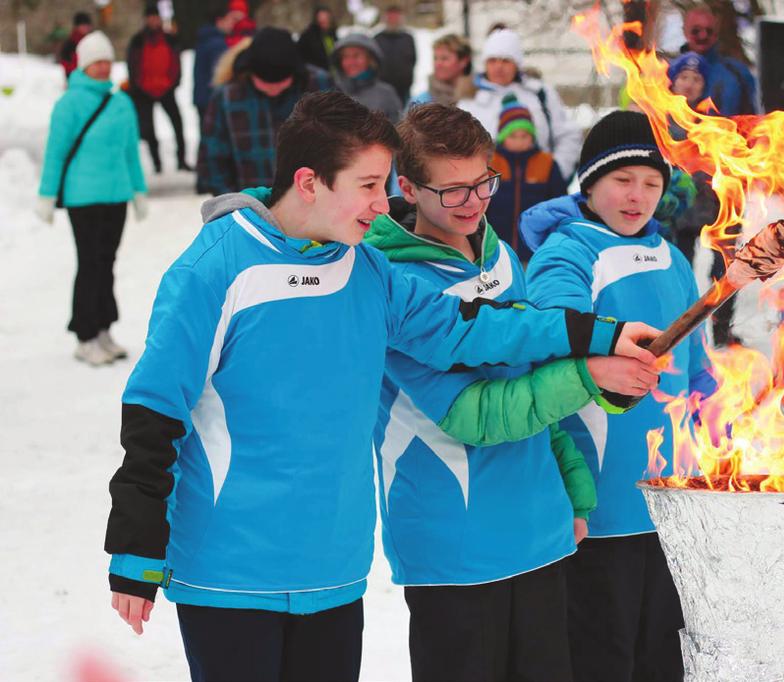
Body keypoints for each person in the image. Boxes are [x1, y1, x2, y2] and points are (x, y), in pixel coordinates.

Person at [102, 90, 658, 682]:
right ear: (310, 182)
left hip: (334, 569)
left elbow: (472, 328)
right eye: (369, 185)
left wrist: (600, 335)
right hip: (231, 571)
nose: (383, 201)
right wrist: (136, 545)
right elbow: (154, 408)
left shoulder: (366, 267)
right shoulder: (214, 269)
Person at [364, 102, 660, 682]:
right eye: (453, 191)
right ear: (408, 187)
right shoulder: (391, 283)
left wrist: (572, 492)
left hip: (541, 531)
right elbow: (475, 415)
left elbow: (533, 370)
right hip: (455, 546)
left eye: (483, 183)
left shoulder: (498, 251)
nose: (474, 203)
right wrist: (589, 374)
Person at [522, 110, 716, 682]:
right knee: (602, 656)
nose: (637, 196)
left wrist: (714, 431)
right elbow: (554, 329)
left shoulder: (673, 256)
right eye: (622, 180)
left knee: (664, 655)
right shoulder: (568, 251)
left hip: (671, 500)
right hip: (603, 505)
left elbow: (697, 366)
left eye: (651, 184)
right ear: (590, 182)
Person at [35, 31, 147, 366]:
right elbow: (54, 154)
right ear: (83, 65)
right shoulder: (69, 103)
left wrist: (138, 191)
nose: (102, 68)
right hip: (82, 198)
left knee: (107, 262)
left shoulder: (121, 102)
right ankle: (84, 334)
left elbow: (131, 152)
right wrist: (46, 195)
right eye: (95, 62)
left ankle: (103, 329)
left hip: (116, 197)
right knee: (90, 263)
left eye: (105, 61)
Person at [664, 49, 743, 346]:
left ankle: (722, 330)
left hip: (713, 208)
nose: (689, 84)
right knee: (679, 272)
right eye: (683, 77)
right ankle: (679, 334)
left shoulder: (714, 121)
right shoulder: (663, 121)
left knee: (724, 271)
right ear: (673, 82)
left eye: (696, 79)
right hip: (678, 213)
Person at [199, 27, 333, 196]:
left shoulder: (320, 85)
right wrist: (231, 200)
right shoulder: (227, 97)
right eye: (265, 81)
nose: (273, 88)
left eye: (280, 81)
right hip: (249, 207)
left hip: (314, 203)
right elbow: (212, 157)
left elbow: (345, 143)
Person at [459, 29, 582, 180]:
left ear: (517, 63)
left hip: (539, 186)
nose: (498, 67)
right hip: (488, 191)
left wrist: (557, 170)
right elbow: (459, 149)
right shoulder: (469, 100)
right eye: (492, 60)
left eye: (505, 60)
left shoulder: (539, 94)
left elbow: (567, 134)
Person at [487, 94, 567, 262]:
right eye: (513, 136)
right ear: (502, 136)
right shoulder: (490, 163)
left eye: (524, 136)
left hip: (535, 251)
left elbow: (559, 204)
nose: (519, 142)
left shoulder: (547, 164)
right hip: (495, 251)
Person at [127, 4, 189, 173]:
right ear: (146, 19)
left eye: (156, 17)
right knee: (149, 129)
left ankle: (181, 159)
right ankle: (157, 163)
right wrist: (138, 86)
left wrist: (173, 82)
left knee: (178, 124)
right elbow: (132, 65)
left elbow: (176, 61)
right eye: (150, 17)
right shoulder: (137, 40)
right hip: (144, 91)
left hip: (166, 89)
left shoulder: (170, 38)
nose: (154, 20)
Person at [680, 4, 757, 117]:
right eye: (696, 31)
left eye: (709, 31)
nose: (703, 35)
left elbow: (755, 116)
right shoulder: (668, 74)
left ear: (716, 33)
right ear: (685, 31)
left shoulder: (737, 73)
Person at [332, 33, 402, 124]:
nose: (350, 62)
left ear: (371, 60)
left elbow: (398, 132)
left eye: (356, 56)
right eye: (345, 57)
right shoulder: (330, 93)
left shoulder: (386, 94)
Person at [192, 6, 236, 122]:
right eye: (229, 20)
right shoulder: (217, 44)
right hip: (211, 100)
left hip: (202, 97)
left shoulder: (206, 38)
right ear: (220, 21)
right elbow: (220, 75)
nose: (232, 24)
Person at [408, 33, 472, 107]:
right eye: (435, 58)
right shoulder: (421, 102)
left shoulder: (479, 97)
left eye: (444, 58)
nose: (437, 64)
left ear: (464, 61)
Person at [373, 4, 417, 106]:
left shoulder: (408, 38)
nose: (393, 19)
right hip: (382, 88)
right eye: (390, 17)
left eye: (395, 17)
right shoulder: (377, 39)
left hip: (404, 88)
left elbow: (414, 59)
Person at [297, 5, 337, 74]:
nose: (323, 20)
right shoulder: (308, 35)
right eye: (321, 17)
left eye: (326, 17)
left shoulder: (332, 34)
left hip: (330, 68)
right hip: (315, 70)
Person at [58, 12, 92, 79]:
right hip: (75, 79)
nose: (86, 28)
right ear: (77, 26)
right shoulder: (70, 43)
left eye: (87, 25)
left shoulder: (92, 41)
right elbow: (65, 63)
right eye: (83, 25)